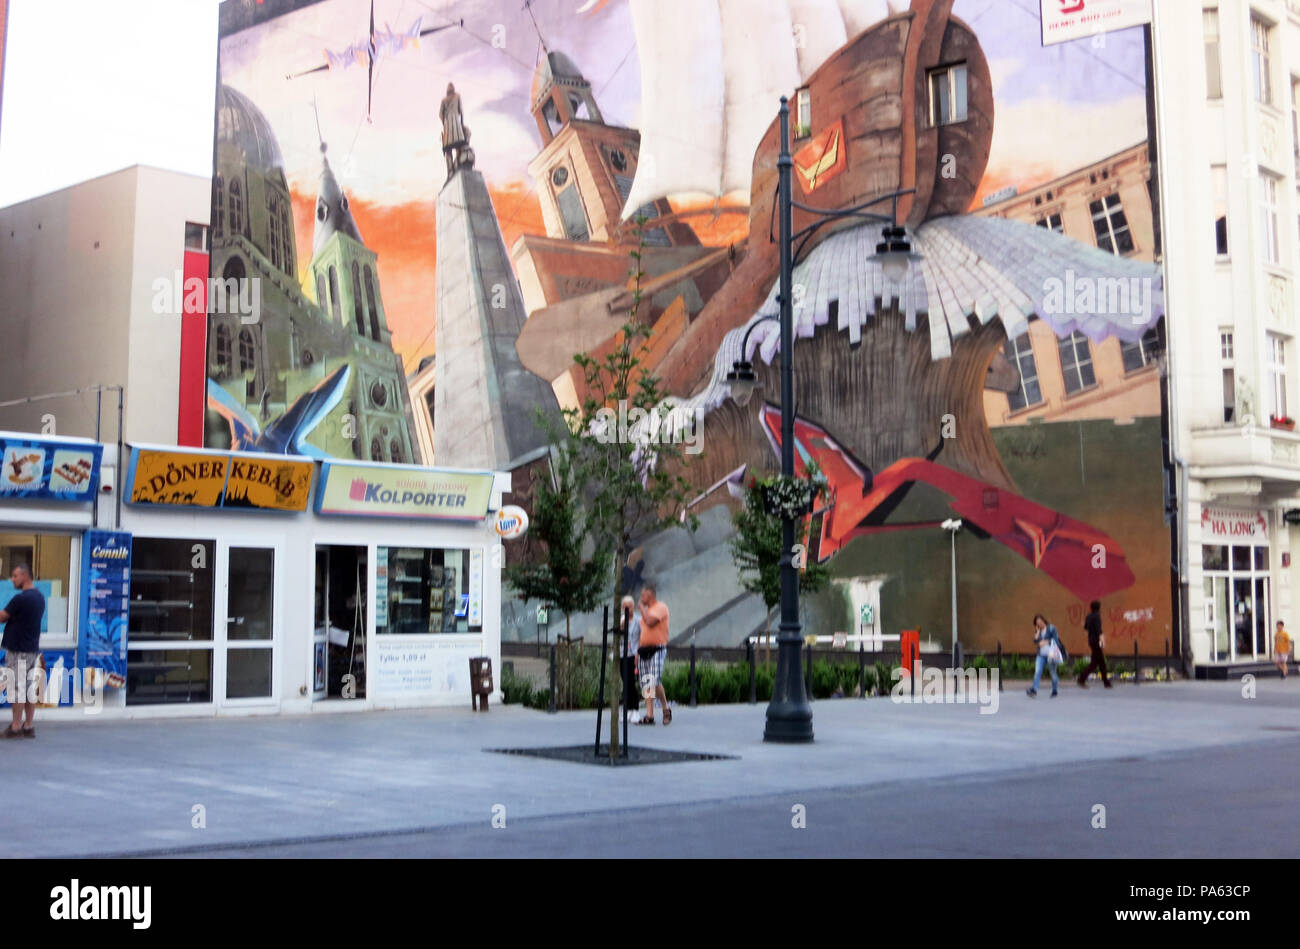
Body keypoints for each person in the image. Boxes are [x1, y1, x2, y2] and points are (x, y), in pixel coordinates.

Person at [0, 564, 45, 737]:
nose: (13, 579)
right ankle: (28, 726)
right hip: (32, 649)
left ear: (25, 576)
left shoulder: (21, 599)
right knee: (28, 688)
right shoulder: (39, 597)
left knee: (16, 688)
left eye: (15, 575)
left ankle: (16, 726)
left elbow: (2, 617)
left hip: (18, 650)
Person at [635, 584, 671, 725]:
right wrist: (637, 652)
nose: (641, 598)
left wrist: (642, 609)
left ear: (650, 595)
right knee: (646, 682)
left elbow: (650, 622)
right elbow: (643, 633)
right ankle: (649, 715)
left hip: (657, 649)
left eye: (643, 595)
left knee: (654, 681)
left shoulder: (660, 607)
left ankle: (665, 709)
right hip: (644, 650)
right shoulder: (647, 611)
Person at [1027, 613, 1063, 698]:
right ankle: (1034, 690)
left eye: (1040, 621)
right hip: (1041, 655)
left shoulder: (1051, 628)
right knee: (1037, 672)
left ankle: (1054, 691)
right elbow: (1036, 642)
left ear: (1043, 620)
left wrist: (1046, 642)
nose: (1039, 623)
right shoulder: (1038, 631)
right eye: (1037, 623)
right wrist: (1037, 635)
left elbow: (1056, 640)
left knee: (1053, 673)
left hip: (1051, 655)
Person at [1077, 599, 1112, 688]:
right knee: (1098, 663)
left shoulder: (1088, 616)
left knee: (1099, 663)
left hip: (1091, 640)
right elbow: (1098, 629)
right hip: (1096, 641)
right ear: (1099, 607)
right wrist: (1102, 641)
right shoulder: (1097, 616)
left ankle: (1106, 683)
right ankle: (1082, 679)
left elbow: (1085, 627)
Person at [621, 595, 641, 716]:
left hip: (633, 654)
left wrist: (638, 653)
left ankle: (635, 709)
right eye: (625, 606)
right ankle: (627, 709)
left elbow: (642, 637)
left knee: (631, 682)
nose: (628, 609)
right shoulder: (621, 620)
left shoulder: (639, 620)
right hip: (622, 654)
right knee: (625, 682)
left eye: (630, 606)